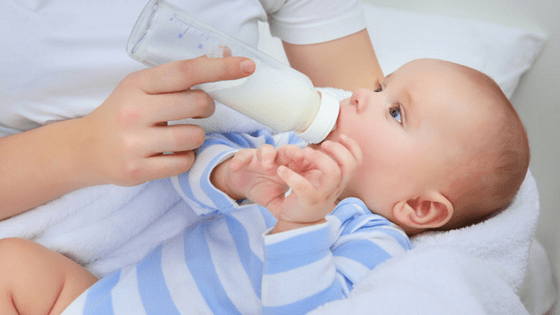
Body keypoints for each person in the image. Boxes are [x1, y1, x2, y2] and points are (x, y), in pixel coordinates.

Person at [0, 59, 530, 315]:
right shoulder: (286, 147)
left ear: (418, 206)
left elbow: (309, 308)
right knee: (13, 264)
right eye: (378, 84)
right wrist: (230, 174)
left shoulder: (369, 240)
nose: (361, 97)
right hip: (98, 302)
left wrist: (300, 223)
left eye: (395, 111)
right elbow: (188, 169)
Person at [0, 0, 383, 270]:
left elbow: (389, 163)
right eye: (382, 94)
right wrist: (82, 149)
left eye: (388, 101)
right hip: (50, 238)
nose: (365, 95)